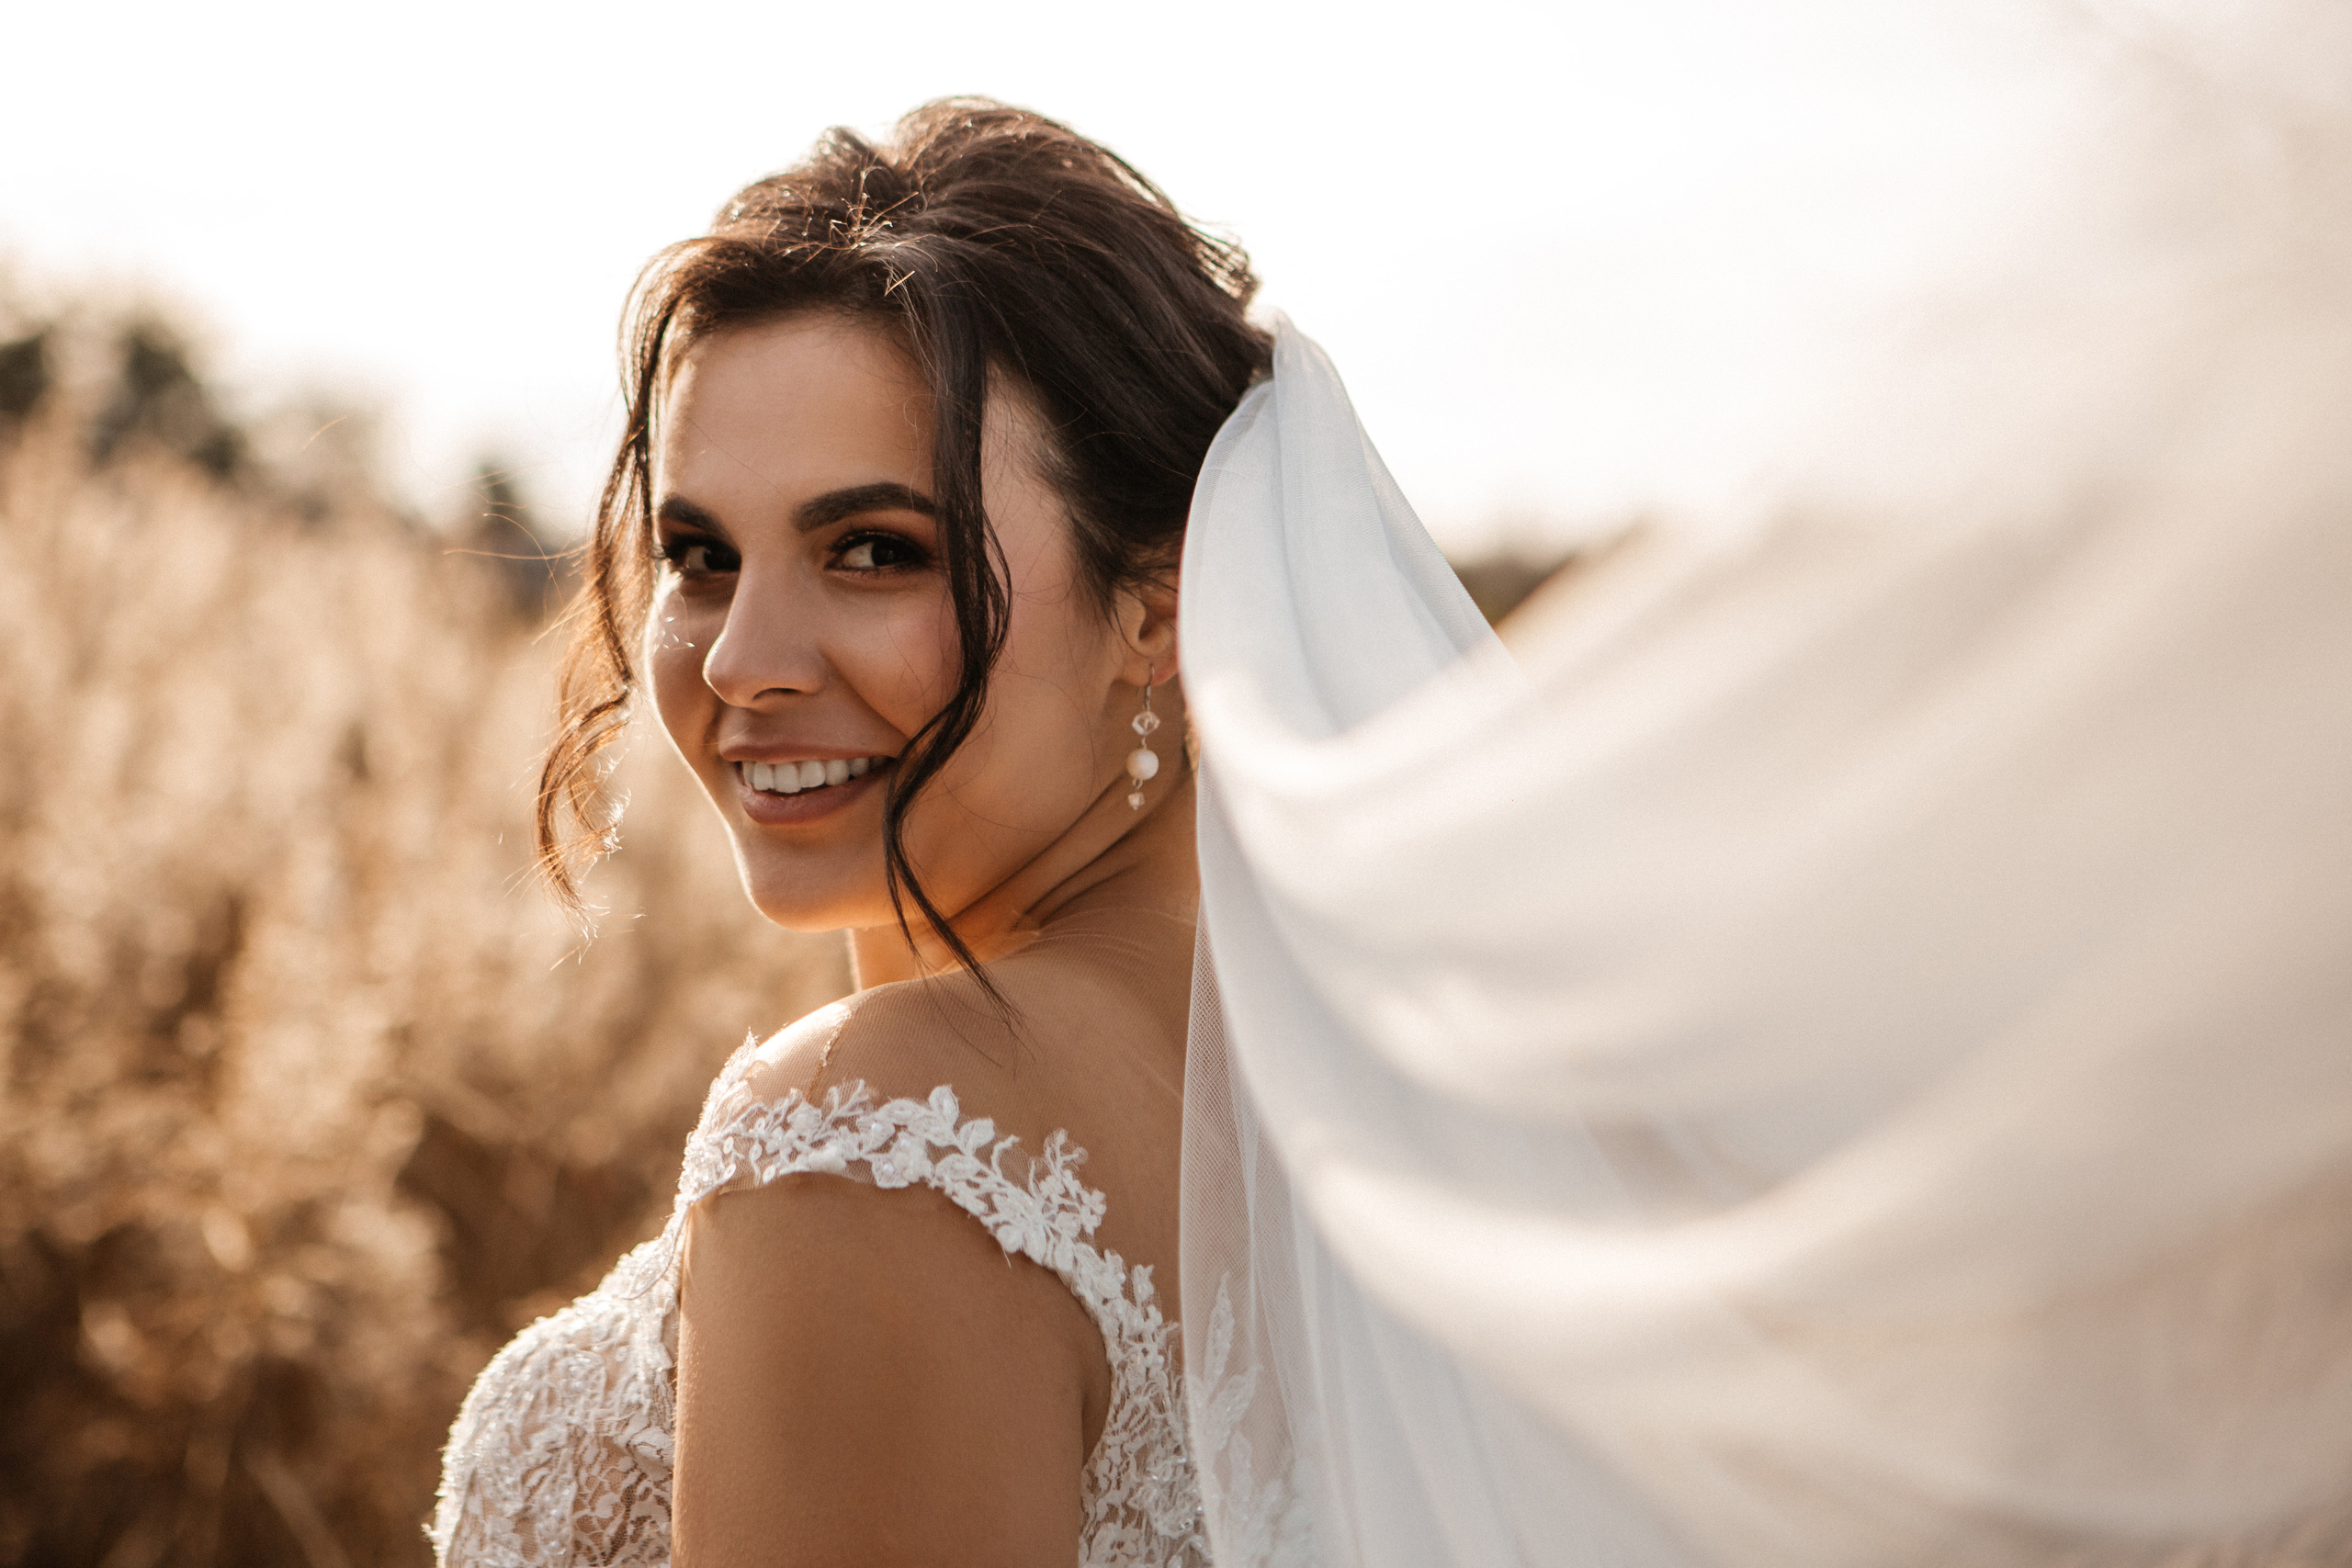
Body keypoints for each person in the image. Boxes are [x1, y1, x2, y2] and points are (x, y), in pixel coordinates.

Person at [432, 100, 1266, 1566]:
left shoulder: (876, 1139)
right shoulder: (1323, 1102)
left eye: (874, 551)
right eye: (700, 556)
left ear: (1157, 607)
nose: (744, 655)